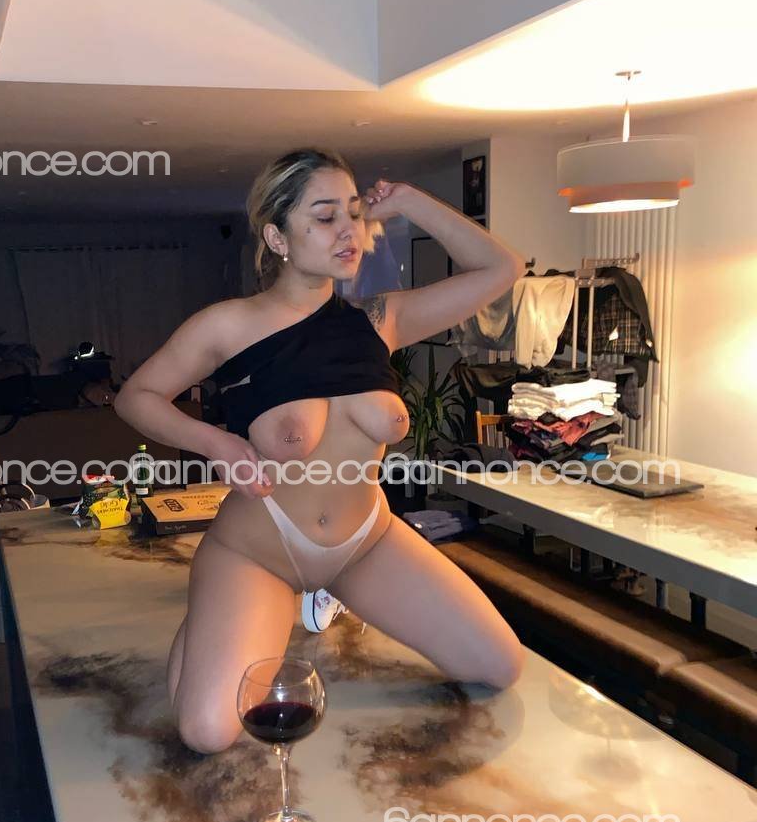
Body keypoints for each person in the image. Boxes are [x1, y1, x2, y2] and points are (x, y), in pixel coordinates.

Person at [113, 148, 525, 753]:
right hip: (259, 551)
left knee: (500, 666)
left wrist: (409, 201)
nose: (349, 231)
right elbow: (137, 397)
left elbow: (501, 268)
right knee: (209, 733)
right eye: (326, 216)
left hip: (366, 544)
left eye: (354, 213)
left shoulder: (379, 318)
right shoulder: (228, 324)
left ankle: (295, 606)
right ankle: (213, 616)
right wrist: (216, 442)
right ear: (277, 238)